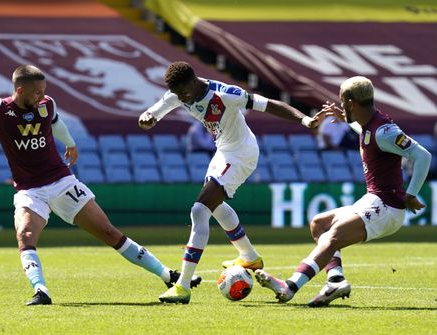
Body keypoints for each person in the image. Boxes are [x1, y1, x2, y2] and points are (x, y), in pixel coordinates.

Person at [0, 65, 201, 306]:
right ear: (20, 90)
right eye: (37, 92)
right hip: (29, 190)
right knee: (25, 236)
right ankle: (41, 291)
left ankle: (168, 275)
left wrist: (70, 143)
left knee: (110, 233)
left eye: (44, 91)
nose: (42, 95)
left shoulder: (47, 104)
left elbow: (55, 122)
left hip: (62, 182)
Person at [138, 61, 323, 304]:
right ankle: (249, 257)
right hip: (223, 152)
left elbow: (268, 105)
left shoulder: (225, 94)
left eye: (183, 92)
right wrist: (148, 117)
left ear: (193, 82)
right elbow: (156, 110)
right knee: (214, 207)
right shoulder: (178, 94)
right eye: (177, 93)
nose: (182, 97)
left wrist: (305, 121)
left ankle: (182, 286)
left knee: (199, 210)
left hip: (242, 153)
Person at [254, 76, 432, 307]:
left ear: (350, 102)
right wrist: (344, 117)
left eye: (341, 101)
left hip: (387, 206)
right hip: (374, 200)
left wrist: (411, 193)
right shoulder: (369, 124)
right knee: (319, 224)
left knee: (332, 236)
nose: (340, 104)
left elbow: (423, 156)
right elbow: (365, 131)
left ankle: (290, 286)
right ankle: (335, 280)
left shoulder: (384, 131)